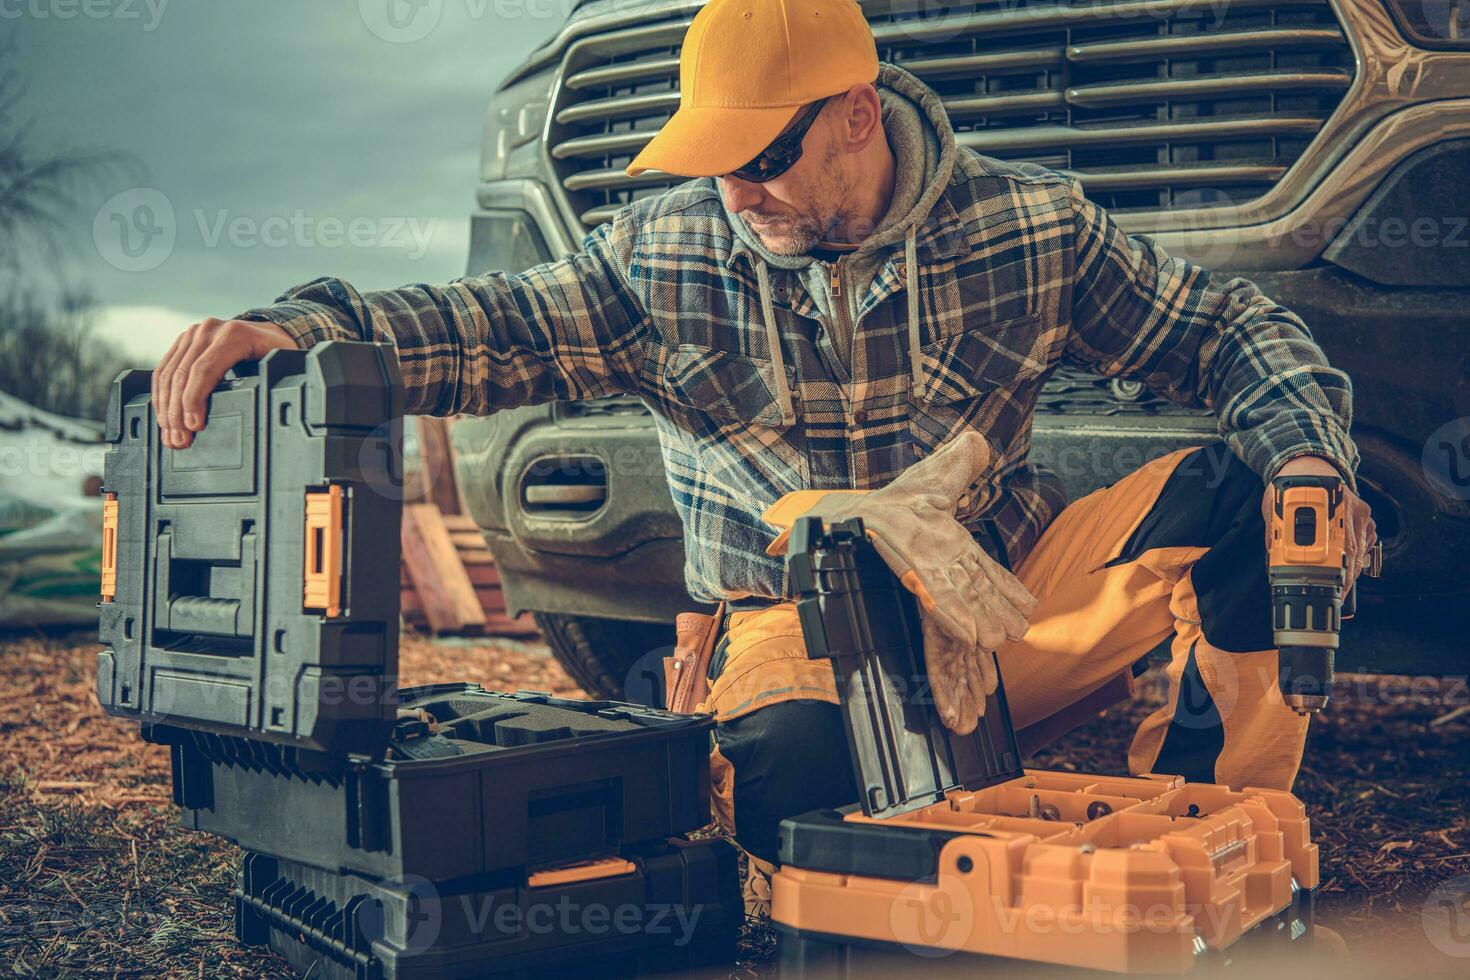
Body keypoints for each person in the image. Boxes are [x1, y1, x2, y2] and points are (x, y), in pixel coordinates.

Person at [150, 0, 1376, 902]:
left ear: (857, 115)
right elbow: (495, 328)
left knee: (1250, 491)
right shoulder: (662, 255)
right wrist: (307, 327)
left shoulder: (1034, 228)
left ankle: (1220, 844)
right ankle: (858, 782)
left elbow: (1227, 327)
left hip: (1000, 600)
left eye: (766, 155)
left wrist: (1310, 452)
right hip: (800, 630)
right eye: (714, 161)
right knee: (805, 797)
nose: (737, 190)